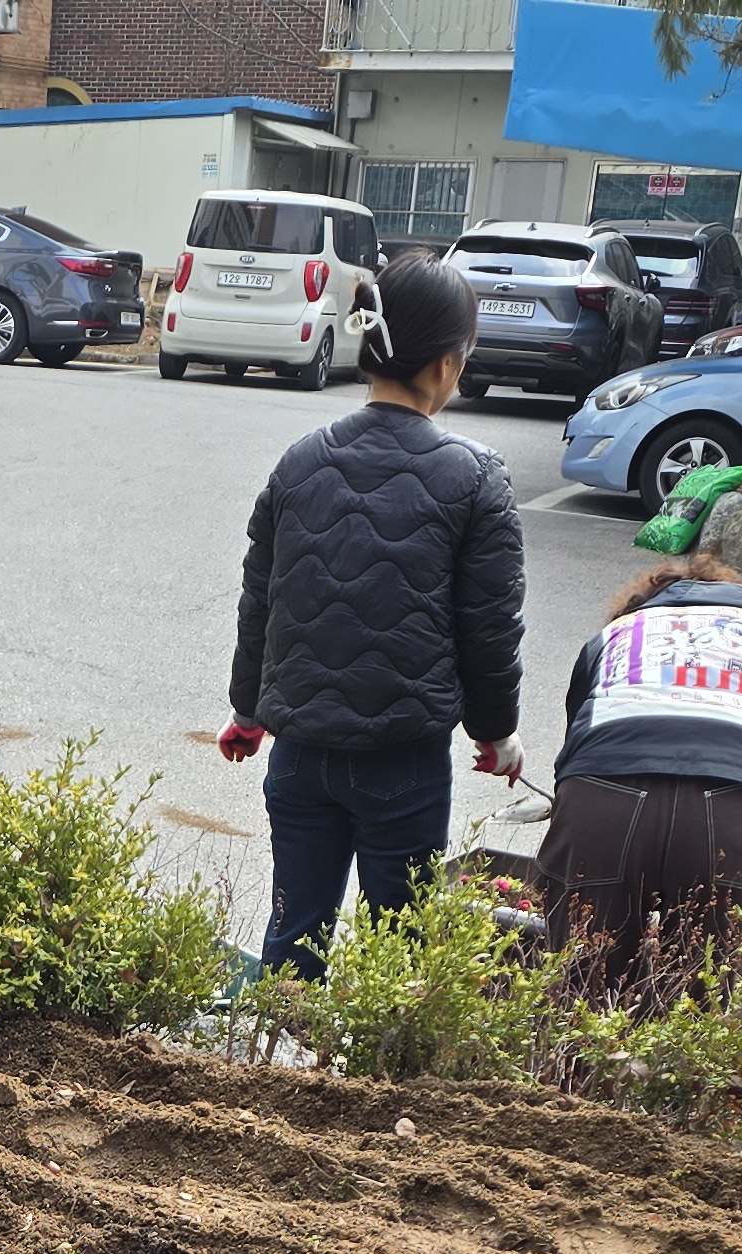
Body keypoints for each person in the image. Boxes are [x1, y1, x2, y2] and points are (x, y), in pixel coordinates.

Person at [218, 252, 526, 976]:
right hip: (403, 759)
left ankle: (262, 1077)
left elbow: (261, 599)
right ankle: (376, 1088)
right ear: (449, 366)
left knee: (293, 942)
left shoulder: (299, 462)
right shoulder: (476, 478)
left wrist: (247, 710)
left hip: (297, 754)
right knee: (400, 957)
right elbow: (490, 628)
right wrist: (494, 734)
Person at [539, 554, 742, 981]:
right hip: (738, 806)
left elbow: (575, 754)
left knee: (584, 987)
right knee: (707, 1001)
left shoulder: (613, 635)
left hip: (604, 794)